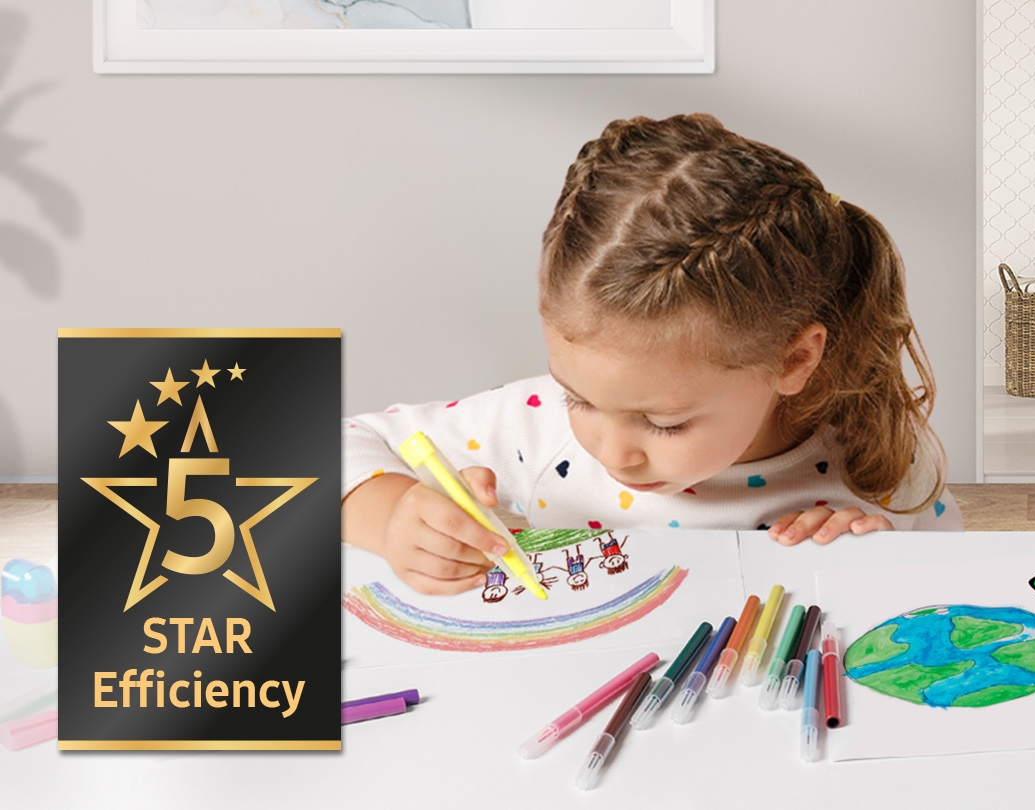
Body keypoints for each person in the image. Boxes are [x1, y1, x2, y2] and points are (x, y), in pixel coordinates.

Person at [341, 113, 963, 594]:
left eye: (664, 423)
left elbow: (954, 593)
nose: (613, 453)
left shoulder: (882, 461)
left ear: (794, 360)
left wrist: (880, 568)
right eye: (578, 397)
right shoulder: (533, 428)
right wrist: (393, 515)